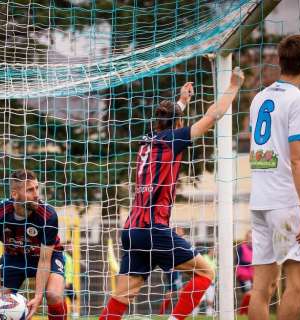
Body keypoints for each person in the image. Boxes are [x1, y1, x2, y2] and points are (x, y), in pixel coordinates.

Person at [98, 67, 244, 320]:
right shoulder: (173, 140)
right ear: (176, 124)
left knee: (121, 296)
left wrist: (182, 102)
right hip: (155, 230)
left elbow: (170, 120)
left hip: (132, 231)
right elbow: (213, 115)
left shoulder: (147, 141)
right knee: (206, 273)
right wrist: (233, 86)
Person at [247, 34, 300, 320]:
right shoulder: (299, 100)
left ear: (279, 61)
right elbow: (298, 158)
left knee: (262, 288)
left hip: (260, 201)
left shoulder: (259, 98)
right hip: (284, 202)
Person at [0, 169, 67, 320]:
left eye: (37, 188)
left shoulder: (48, 216)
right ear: (14, 194)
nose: (36, 194)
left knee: (53, 295)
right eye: (30, 190)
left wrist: (38, 296)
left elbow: (44, 260)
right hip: (14, 257)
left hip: (48, 257)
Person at [235, 231, 253, 315]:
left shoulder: (255, 249)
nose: (251, 240)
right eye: (250, 238)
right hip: (243, 274)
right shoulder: (241, 248)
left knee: (251, 293)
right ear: (246, 238)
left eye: (252, 238)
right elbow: (239, 261)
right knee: (248, 291)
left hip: (253, 275)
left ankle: (245, 311)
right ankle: (242, 312)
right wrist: (251, 263)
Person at [200, 247, 217, 316]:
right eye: (215, 251)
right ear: (211, 251)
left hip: (211, 283)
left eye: (217, 251)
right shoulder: (204, 258)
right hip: (202, 281)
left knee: (210, 301)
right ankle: (193, 314)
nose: (216, 253)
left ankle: (209, 315)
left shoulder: (215, 260)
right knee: (199, 301)